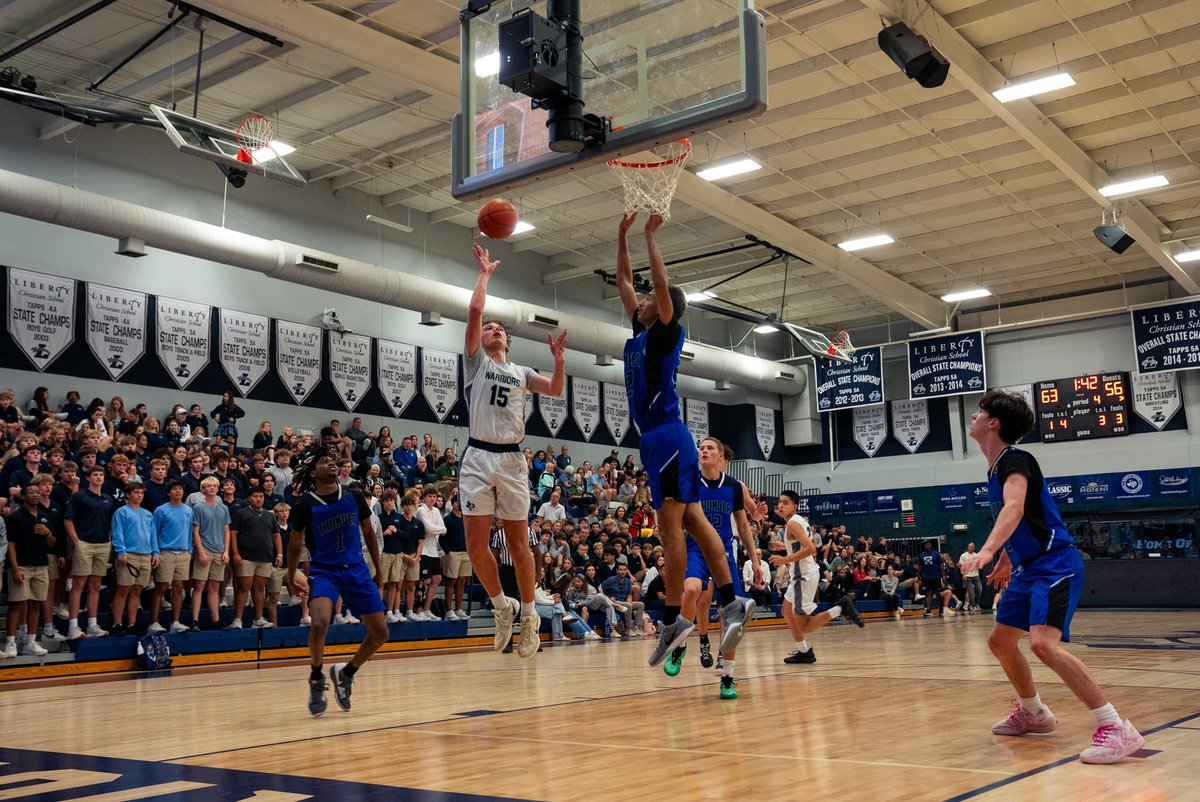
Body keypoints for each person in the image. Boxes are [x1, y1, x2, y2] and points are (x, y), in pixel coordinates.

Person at [964, 389, 1143, 764]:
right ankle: (1034, 713)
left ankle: (1115, 727)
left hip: (1055, 564)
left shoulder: (1016, 459)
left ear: (993, 423)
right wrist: (1009, 558)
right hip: (1029, 567)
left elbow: (1014, 508)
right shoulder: (995, 467)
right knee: (1001, 642)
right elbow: (1027, 518)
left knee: (1043, 645)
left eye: (979, 412)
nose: (973, 417)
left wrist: (988, 550)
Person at [615, 213, 754, 668]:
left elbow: (660, 285)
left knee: (669, 529)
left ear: (661, 307)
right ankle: (732, 600)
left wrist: (649, 236)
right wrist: (621, 236)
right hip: (659, 440)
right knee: (693, 520)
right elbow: (624, 281)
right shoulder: (640, 333)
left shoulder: (666, 331)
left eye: (647, 300)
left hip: (668, 436)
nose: (639, 302)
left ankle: (674, 618)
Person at [460, 244, 568, 659]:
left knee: (519, 545)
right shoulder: (477, 364)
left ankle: (529, 615)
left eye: (498, 329)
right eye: (488, 328)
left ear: (507, 340)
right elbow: (474, 311)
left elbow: (555, 389)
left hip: (510, 458)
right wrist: (484, 275)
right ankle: (501, 607)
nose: (493, 330)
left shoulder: (521, 372)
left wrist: (558, 360)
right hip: (477, 456)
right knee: (476, 548)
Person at [286, 444, 387, 718]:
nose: (331, 463)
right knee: (319, 623)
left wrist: (378, 568)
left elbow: (369, 533)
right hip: (324, 571)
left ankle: (347, 673)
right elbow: (295, 544)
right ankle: (316, 678)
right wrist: (290, 574)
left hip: (356, 569)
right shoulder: (304, 504)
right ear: (313, 472)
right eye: (324, 461)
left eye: (333, 460)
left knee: (380, 633)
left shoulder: (354, 494)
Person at [663, 437, 763, 699]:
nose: (704, 451)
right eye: (701, 448)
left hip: (724, 552)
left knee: (733, 615)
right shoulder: (689, 482)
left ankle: (727, 677)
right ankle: (680, 645)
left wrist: (754, 559)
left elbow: (743, 525)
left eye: (709, 448)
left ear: (721, 457)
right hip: (695, 548)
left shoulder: (733, 486)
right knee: (691, 590)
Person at [769, 490, 863, 666]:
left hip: (803, 576)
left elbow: (811, 549)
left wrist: (784, 559)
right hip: (803, 573)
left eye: (786, 502)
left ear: (794, 506)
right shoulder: (800, 521)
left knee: (804, 625)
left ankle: (840, 608)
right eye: (780, 502)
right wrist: (786, 547)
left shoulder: (793, 524)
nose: (781, 505)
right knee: (786, 612)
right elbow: (810, 544)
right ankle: (804, 652)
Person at [64, 465, 117, 639]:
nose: (99, 477)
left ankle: (92, 625)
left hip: (103, 544)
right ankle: (73, 626)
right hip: (84, 543)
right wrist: (76, 541)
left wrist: (109, 538)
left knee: (95, 585)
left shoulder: (108, 499)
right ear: (88, 478)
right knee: (78, 584)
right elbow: (68, 520)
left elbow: (111, 521)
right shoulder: (79, 496)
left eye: (101, 474)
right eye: (95, 474)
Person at [4, 484, 55, 657]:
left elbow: (52, 543)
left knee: (35, 604)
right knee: (16, 604)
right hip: (22, 566)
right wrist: (15, 568)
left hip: (41, 565)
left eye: (37, 492)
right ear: (23, 496)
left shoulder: (44, 516)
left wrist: (47, 533)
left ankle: (31, 643)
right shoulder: (15, 517)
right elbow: (11, 545)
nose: (35, 495)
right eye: (31, 492)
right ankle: (10, 643)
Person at [229, 487, 283, 629]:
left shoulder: (270, 515)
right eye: (255, 496)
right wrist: (235, 553)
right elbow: (233, 534)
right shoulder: (241, 513)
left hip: (265, 557)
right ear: (249, 498)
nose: (258, 499)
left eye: (261, 496)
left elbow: (276, 535)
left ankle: (258, 619)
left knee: (259, 589)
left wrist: (279, 554)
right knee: (244, 587)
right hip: (246, 557)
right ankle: (237, 619)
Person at [109, 482, 156, 635]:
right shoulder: (121, 512)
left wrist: (155, 552)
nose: (139, 495)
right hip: (129, 554)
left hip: (146, 554)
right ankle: (117, 623)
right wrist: (121, 551)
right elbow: (117, 533)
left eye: (141, 493)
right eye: (136, 492)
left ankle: (131, 623)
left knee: (137, 590)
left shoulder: (148, 514)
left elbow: (152, 535)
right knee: (123, 589)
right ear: (128, 495)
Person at [148, 480, 193, 634]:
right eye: (175, 489)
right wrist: (155, 552)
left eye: (180, 488)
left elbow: (189, 532)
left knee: (179, 587)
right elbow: (154, 532)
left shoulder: (188, 510)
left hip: (183, 553)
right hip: (165, 552)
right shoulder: (161, 510)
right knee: (161, 587)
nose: (178, 491)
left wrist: (189, 550)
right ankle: (154, 622)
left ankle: (175, 622)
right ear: (169, 493)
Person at [440, 492, 471, 621]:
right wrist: (448, 551)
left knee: (462, 581)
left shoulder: (466, 519)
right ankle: (449, 610)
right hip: (453, 553)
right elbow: (442, 538)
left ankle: (458, 609)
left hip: (466, 553)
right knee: (451, 581)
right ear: (453, 504)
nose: (459, 504)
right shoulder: (447, 519)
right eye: (457, 502)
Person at [918, 540, 946, 618]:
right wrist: (918, 576)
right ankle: (928, 610)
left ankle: (941, 608)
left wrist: (943, 576)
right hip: (926, 576)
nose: (927, 546)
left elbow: (941, 565)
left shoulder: (936, 554)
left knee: (937, 592)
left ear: (931, 545)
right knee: (928, 593)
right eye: (926, 545)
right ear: (924, 546)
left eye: (929, 544)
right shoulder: (921, 555)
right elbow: (920, 566)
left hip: (936, 576)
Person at [958, 542, 982, 612]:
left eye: (971, 547)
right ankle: (973, 605)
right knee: (971, 592)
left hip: (976, 575)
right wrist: (963, 575)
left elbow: (979, 565)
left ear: (974, 548)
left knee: (979, 590)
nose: (970, 548)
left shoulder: (976, 555)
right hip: (967, 576)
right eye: (969, 547)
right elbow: (960, 566)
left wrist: (978, 565)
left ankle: (977, 603)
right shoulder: (963, 555)